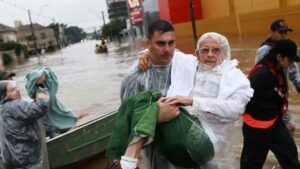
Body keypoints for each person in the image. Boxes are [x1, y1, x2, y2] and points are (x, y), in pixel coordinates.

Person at [107, 30, 253, 168]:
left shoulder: (236, 77)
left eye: (216, 50)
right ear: (197, 53)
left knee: (150, 99)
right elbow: (167, 52)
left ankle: (126, 159)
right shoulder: (188, 63)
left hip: (204, 141)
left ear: (224, 53)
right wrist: (146, 54)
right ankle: (128, 158)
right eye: (205, 50)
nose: (210, 55)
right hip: (181, 137)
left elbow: (236, 109)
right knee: (143, 103)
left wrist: (193, 102)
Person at [107, 19, 193, 169]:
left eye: (171, 43)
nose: (167, 49)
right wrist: (157, 117)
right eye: (160, 44)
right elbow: (129, 122)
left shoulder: (185, 66)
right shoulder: (134, 78)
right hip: (157, 153)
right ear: (148, 43)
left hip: (191, 146)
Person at [241, 39, 300, 168]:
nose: (291, 64)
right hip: (256, 128)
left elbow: (280, 97)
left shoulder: (279, 69)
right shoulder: (261, 75)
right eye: (289, 60)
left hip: (274, 122)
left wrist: (285, 118)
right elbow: (242, 99)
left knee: (290, 155)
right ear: (279, 56)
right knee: (252, 164)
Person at [255, 19, 299, 133]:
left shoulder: (287, 48)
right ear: (272, 32)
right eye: (280, 33)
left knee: (290, 127)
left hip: (282, 98)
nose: (283, 36)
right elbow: (259, 75)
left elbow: (293, 73)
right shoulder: (264, 50)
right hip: (269, 100)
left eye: (285, 33)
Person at [0, 80, 50, 169]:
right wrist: (41, 90)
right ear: (3, 96)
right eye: (12, 90)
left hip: (12, 158)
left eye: (16, 88)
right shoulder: (14, 105)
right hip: (27, 157)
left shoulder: (2, 109)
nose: (17, 90)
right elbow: (41, 107)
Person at [25, 67, 86, 138]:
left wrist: (44, 72)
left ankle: (71, 123)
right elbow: (31, 93)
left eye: (43, 76)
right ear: (35, 80)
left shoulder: (46, 81)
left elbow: (52, 76)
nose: (43, 78)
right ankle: (62, 131)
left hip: (52, 101)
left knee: (63, 112)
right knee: (49, 121)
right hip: (45, 105)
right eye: (40, 78)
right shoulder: (34, 88)